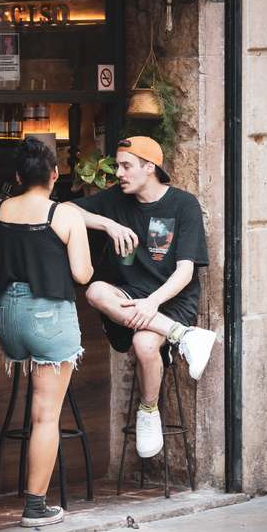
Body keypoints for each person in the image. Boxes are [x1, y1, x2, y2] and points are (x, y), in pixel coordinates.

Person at [72, 136, 216, 461]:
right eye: (118, 165)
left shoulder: (183, 204)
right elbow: (63, 211)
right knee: (95, 290)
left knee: (146, 345)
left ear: (149, 167)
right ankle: (185, 337)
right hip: (129, 301)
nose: (119, 173)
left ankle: (148, 410)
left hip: (170, 301)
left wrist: (152, 302)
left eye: (126, 166)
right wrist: (106, 224)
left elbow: (185, 272)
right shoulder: (114, 201)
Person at [0, 137, 93, 528]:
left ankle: (31, 502)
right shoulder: (64, 215)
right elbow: (82, 274)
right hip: (48, 315)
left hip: (7, 317)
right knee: (45, 416)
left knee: (33, 406)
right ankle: (35, 507)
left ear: (17, 176)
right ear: (55, 175)